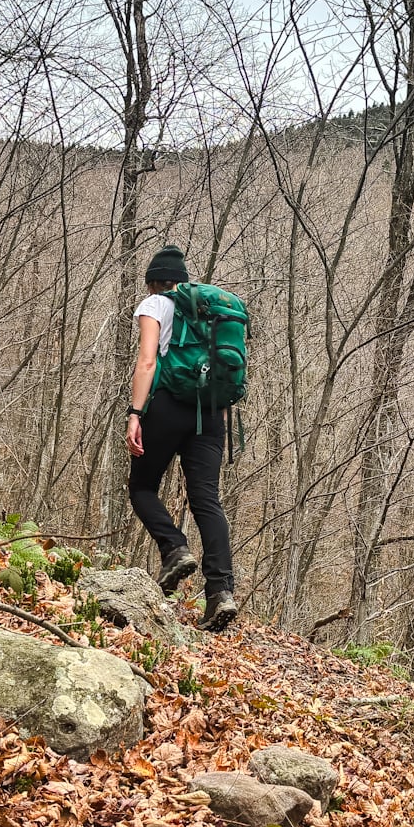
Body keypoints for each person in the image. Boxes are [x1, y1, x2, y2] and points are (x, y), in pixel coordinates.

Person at [126, 245, 238, 629]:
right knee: (206, 498)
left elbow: (147, 360)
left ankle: (175, 548)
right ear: (185, 281)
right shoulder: (212, 310)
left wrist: (135, 413)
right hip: (212, 410)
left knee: (141, 488)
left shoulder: (155, 304)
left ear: (155, 282)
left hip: (169, 404)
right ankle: (221, 593)